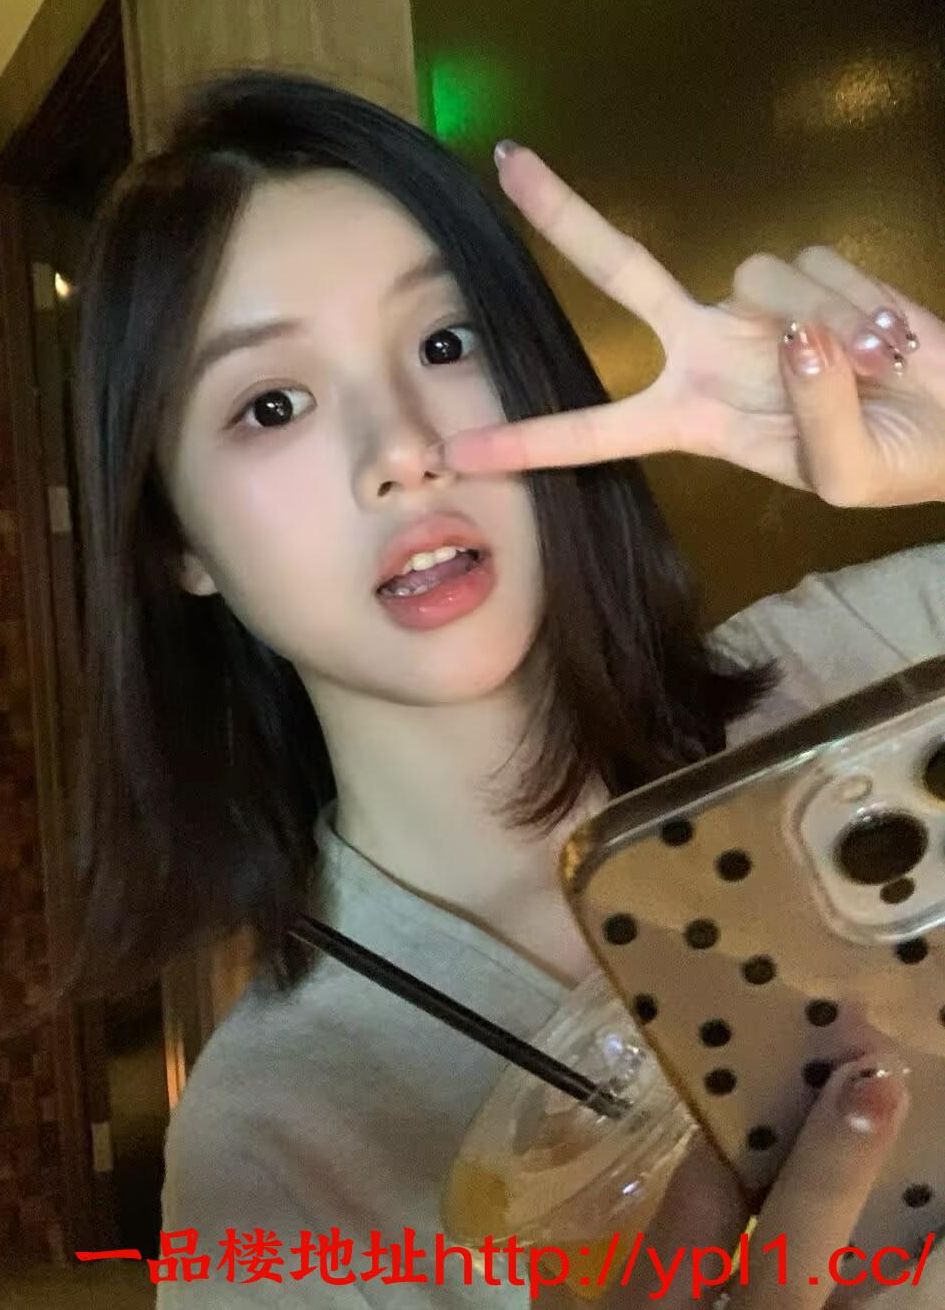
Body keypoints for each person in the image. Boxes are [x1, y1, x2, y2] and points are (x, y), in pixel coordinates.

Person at [64, 71, 944, 1307]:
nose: (402, 451)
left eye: (445, 343)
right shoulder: (273, 1157)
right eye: (271, 405)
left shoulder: (868, 666)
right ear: (176, 540)